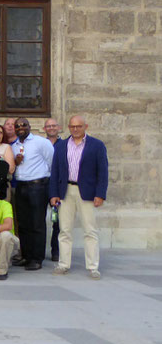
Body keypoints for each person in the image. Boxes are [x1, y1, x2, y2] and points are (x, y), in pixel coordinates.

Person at [50, 116, 108, 280]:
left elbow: (103, 172)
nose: (75, 129)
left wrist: (100, 194)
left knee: (90, 230)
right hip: (65, 190)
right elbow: (55, 171)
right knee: (64, 230)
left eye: (78, 126)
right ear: (68, 127)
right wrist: (54, 193)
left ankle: (92, 267)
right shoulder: (61, 146)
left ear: (85, 126)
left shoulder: (96, 145)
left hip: (87, 192)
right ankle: (63, 264)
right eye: (72, 126)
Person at [11, 118, 54, 271]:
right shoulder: (14, 146)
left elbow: (51, 162)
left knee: (37, 223)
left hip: (37, 186)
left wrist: (45, 180)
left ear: (29, 127)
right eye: (17, 126)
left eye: (23, 125)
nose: (20, 128)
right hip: (21, 185)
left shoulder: (41, 142)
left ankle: (36, 258)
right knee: (23, 224)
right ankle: (26, 255)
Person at [43, 117, 63, 261]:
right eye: (48, 126)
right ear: (44, 129)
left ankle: (56, 250)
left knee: (58, 220)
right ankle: (39, 250)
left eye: (53, 126)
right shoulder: (41, 144)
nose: (51, 128)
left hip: (58, 185)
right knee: (38, 219)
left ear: (59, 128)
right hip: (42, 184)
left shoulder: (65, 144)